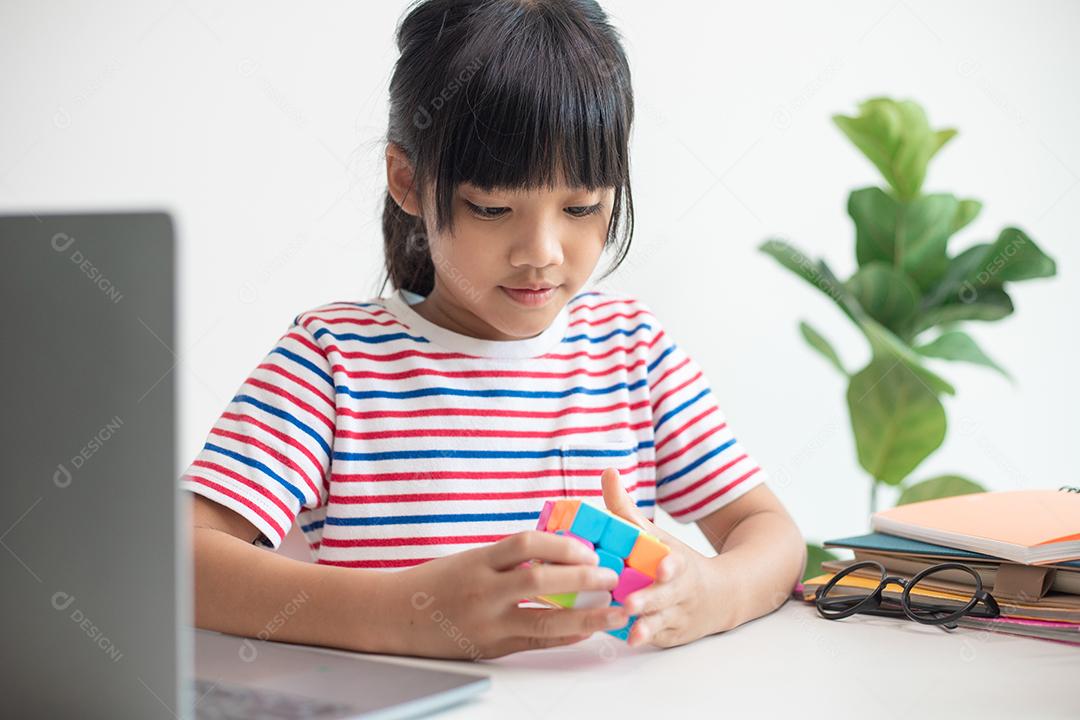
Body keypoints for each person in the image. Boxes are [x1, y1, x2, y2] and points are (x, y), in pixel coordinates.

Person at [185, 0, 805, 660]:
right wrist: (402, 614)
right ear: (409, 182)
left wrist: (715, 591)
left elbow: (771, 533)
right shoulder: (334, 364)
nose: (540, 250)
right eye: (492, 207)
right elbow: (179, 561)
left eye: (581, 206)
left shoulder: (633, 352)